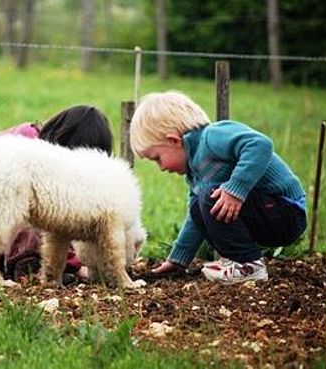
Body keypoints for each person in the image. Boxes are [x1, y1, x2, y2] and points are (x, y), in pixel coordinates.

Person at [129, 91, 307, 284]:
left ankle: (248, 265)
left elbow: (260, 144)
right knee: (198, 206)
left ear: (174, 140)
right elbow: (195, 221)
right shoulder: (195, 172)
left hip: (287, 211)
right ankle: (239, 262)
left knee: (207, 197)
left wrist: (235, 190)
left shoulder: (212, 137)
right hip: (266, 214)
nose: (161, 167)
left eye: (157, 158)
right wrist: (178, 260)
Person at [0, 105, 114, 281]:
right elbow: (55, 223)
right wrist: (75, 265)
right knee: (43, 211)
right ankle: (26, 266)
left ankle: (7, 263)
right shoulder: (35, 155)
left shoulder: (26, 135)